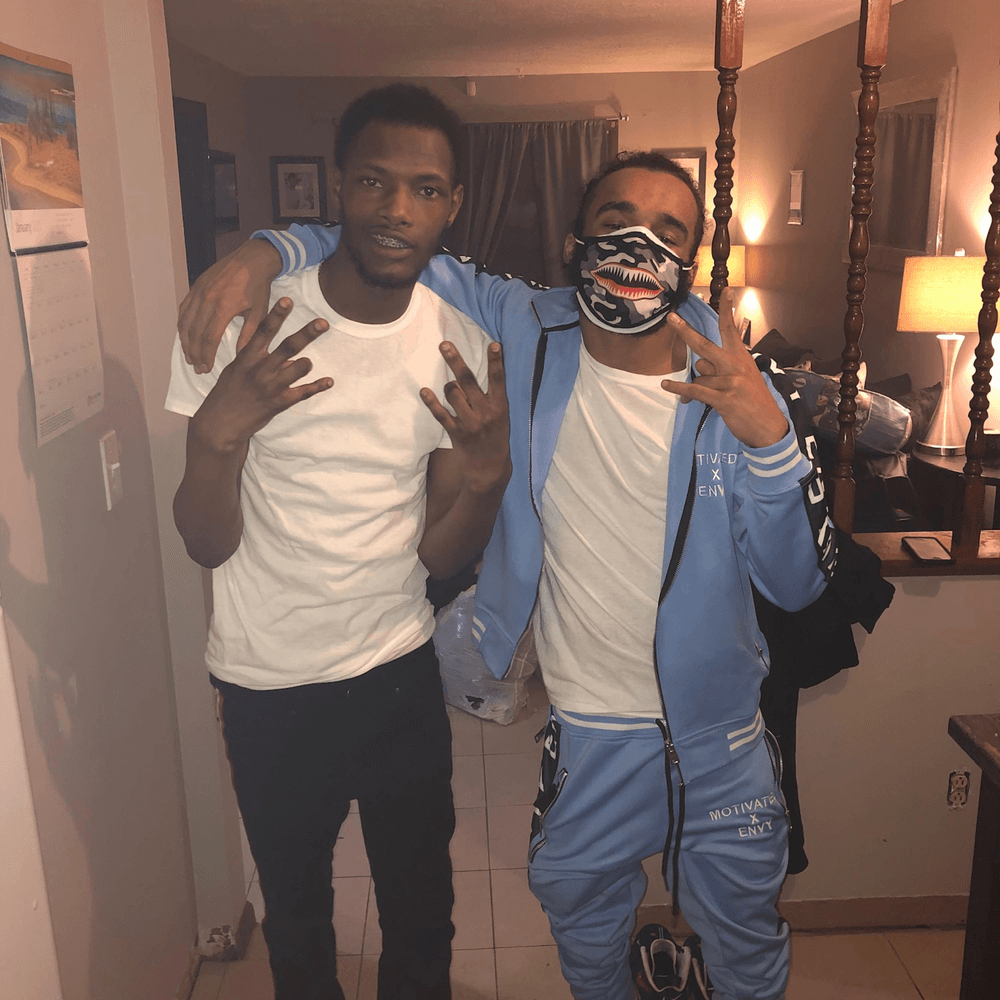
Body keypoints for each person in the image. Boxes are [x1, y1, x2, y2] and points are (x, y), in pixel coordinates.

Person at [180, 150, 837, 1000]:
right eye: (615, 223)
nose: (638, 244)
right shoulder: (525, 324)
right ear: (574, 243)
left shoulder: (740, 385)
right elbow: (395, 239)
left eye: (668, 231)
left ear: (691, 260)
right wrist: (266, 249)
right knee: (584, 927)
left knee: (746, 940)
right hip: (592, 727)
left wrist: (769, 438)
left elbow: (798, 585)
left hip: (725, 738)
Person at [166, 84, 512, 1000]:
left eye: (425, 189)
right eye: (373, 181)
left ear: (452, 204)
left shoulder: (460, 347)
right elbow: (205, 544)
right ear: (336, 187)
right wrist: (217, 435)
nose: (397, 209)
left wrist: (487, 481)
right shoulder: (249, 323)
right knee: (300, 931)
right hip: (268, 685)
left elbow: (441, 558)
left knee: (422, 922)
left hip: (398, 676)